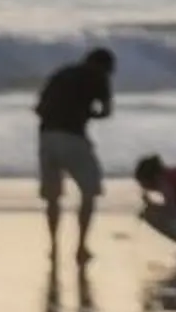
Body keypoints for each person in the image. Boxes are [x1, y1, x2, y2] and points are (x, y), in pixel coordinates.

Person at [34, 47, 115, 266]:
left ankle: (53, 246)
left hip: (46, 136)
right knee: (90, 191)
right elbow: (107, 111)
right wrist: (88, 114)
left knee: (52, 196)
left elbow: (38, 108)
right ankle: (81, 246)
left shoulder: (61, 73)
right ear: (105, 66)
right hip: (73, 137)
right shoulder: (98, 76)